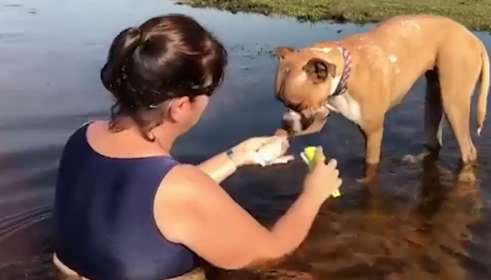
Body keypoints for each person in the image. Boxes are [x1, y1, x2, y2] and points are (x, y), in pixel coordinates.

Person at [53, 14, 342, 280]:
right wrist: (314, 194)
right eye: (208, 92)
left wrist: (236, 157)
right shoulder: (180, 190)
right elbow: (272, 251)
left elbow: (149, 201)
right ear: (180, 107)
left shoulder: (81, 137)